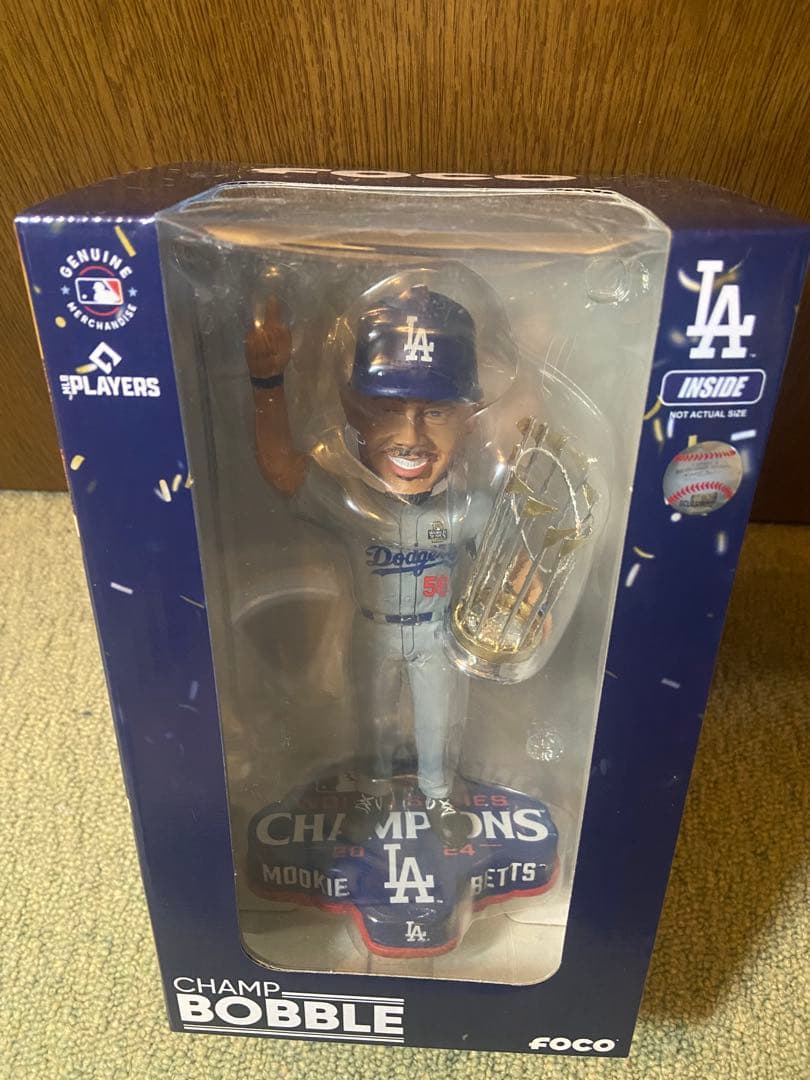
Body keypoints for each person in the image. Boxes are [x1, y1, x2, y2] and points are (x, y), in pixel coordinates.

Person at [245, 285, 490, 847]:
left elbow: (512, 548)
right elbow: (282, 469)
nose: (410, 436)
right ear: (354, 411)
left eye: (434, 412)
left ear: (469, 418)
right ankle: (374, 793)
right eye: (387, 410)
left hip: (437, 633)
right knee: (371, 720)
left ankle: (438, 796)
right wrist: (267, 384)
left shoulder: (467, 506)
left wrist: (526, 603)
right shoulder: (350, 498)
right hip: (373, 629)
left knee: (437, 722)